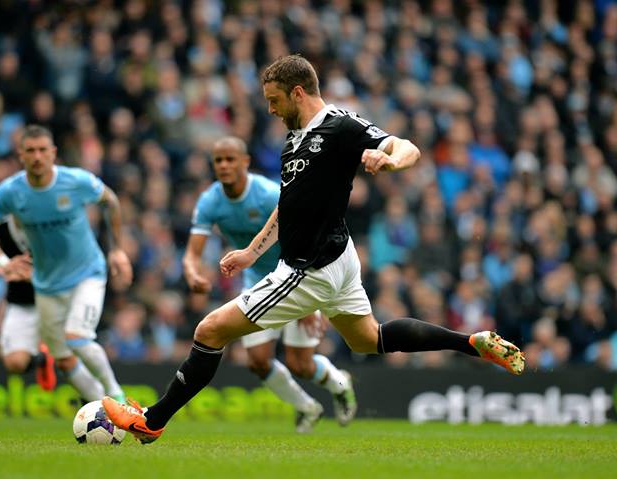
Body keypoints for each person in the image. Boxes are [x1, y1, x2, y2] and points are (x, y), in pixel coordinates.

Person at [102, 55, 525, 444]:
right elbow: (289, 207)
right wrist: (251, 252)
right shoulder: (292, 143)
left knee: (209, 331)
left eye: (274, 100)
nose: (270, 109)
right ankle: (472, 343)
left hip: (310, 268)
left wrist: (391, 161)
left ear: (298, 92)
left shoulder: (338, 125)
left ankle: (151, 420)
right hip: (339, 257)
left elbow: (405, 146)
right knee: (368, 339)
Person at [183, 136, 356, 433]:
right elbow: (192, 253)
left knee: (301, 364)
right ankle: (307, 407)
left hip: (296, 273)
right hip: (256, 280)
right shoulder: (210, 200)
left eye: (230, 159)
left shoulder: (265, 194)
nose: (224, 166)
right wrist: (192, 272)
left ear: (245, 162)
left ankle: (341, 383)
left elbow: (301, 233)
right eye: (218, 160)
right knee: (258, 361)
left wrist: (307, 303)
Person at [0, 124, 131, 403]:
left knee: (78, 336)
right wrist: (0, 261)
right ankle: (104, 410)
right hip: (46, 285)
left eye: (42, 150)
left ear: (53, 153)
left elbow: (111, 201)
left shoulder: (76, 181)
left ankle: (116, 395)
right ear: (20, 155)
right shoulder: (11, 192)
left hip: (87, 273)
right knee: (63, 358)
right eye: (30, 151)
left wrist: (117, 249)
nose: (37, 157)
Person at [0, 216, 56, 391]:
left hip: (52, 300)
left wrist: (31, 276)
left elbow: (63, 270)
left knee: (68, 360)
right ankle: (41, 359)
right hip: (20, 303)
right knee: (14, 363)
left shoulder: (48, 225)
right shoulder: (1, 227)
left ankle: (99, 403)